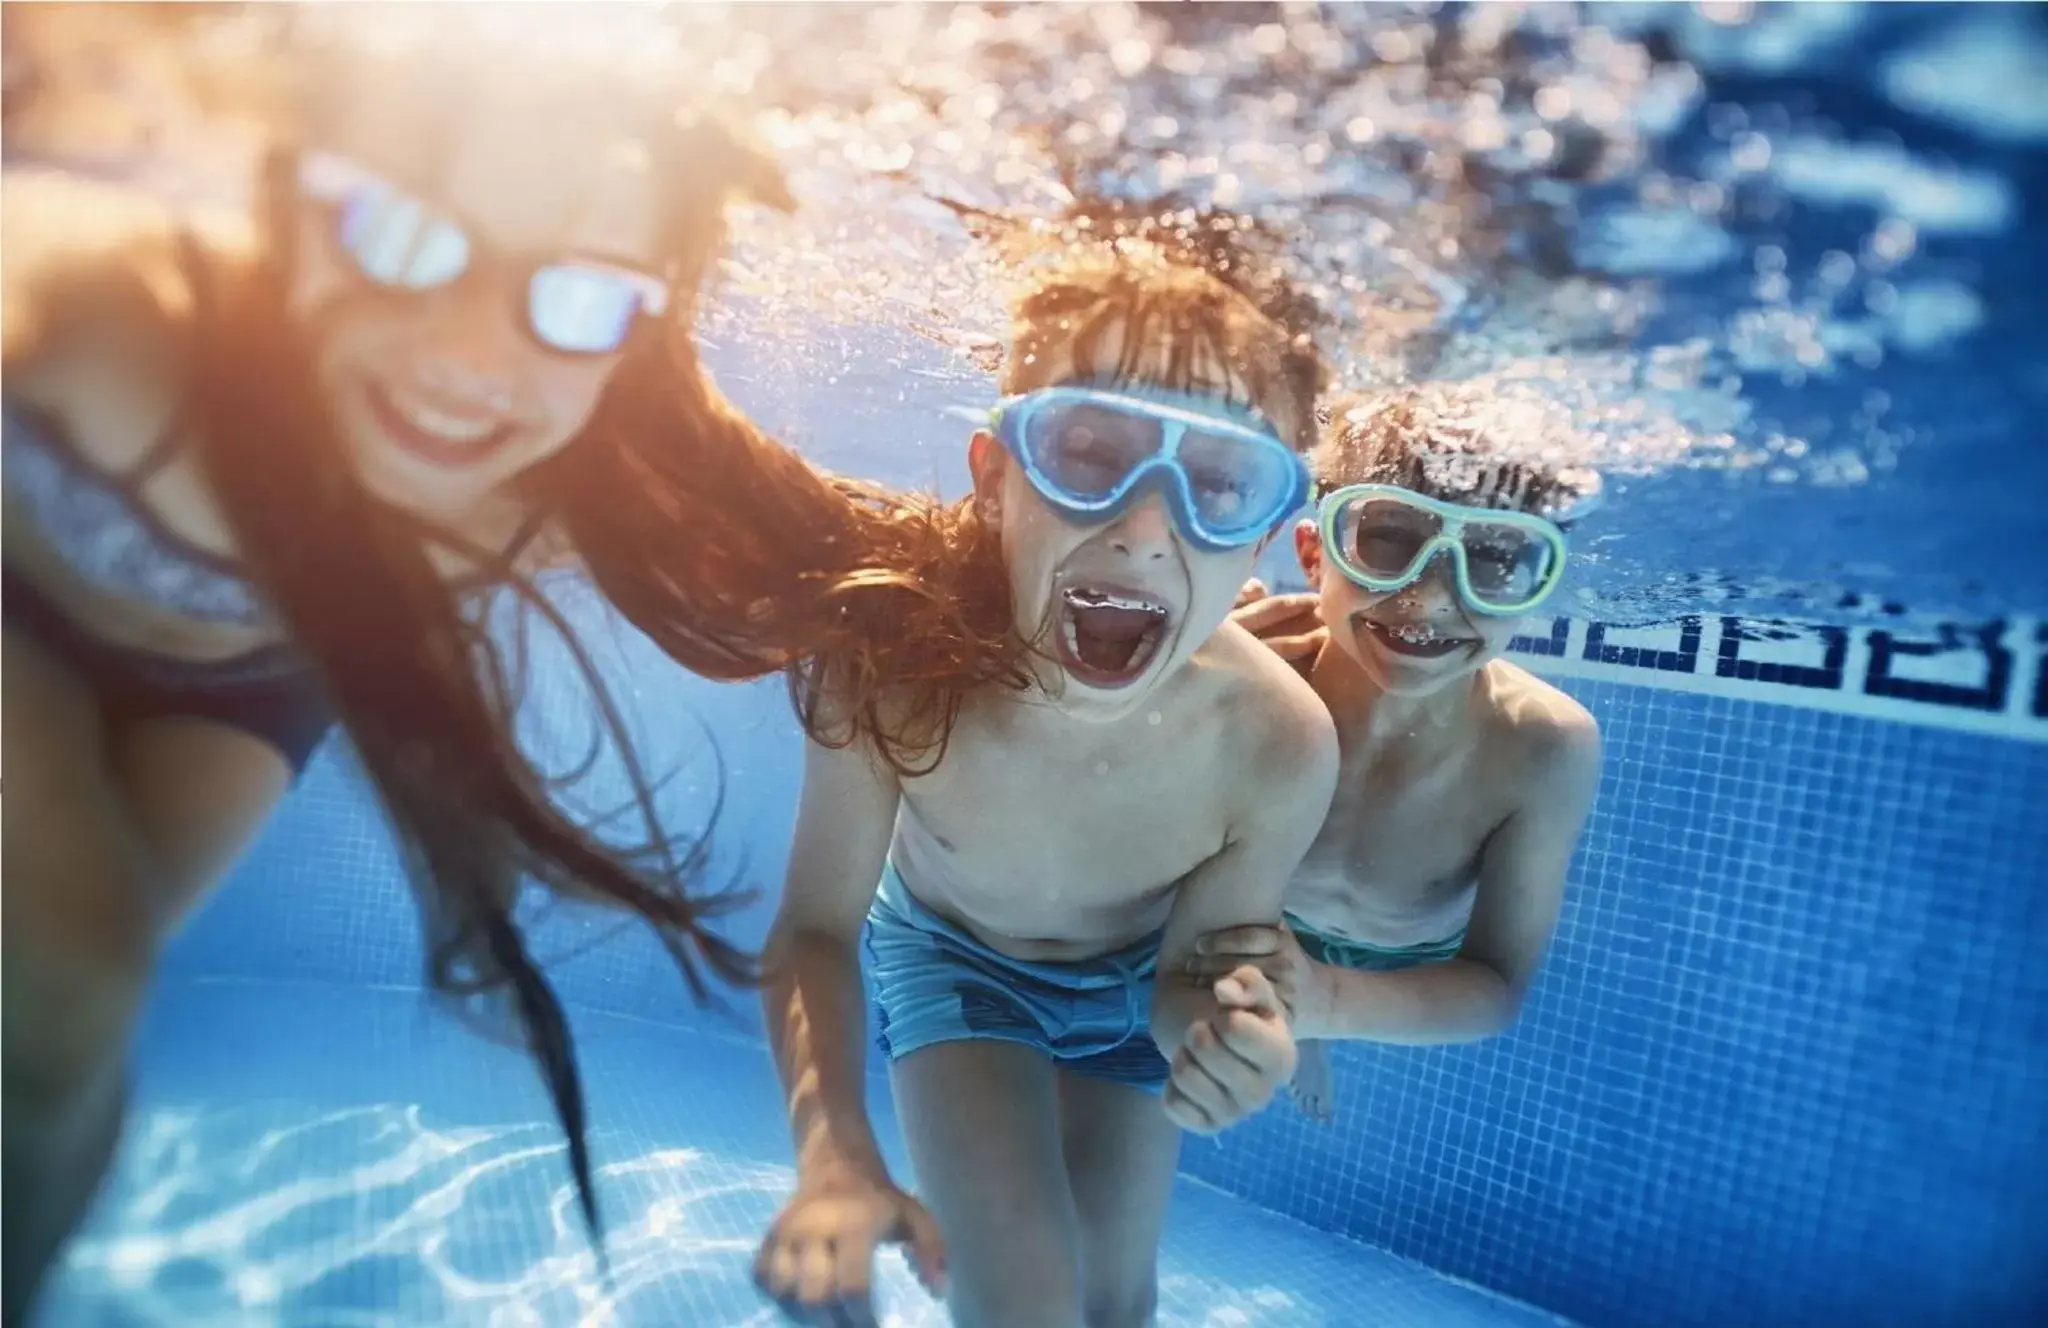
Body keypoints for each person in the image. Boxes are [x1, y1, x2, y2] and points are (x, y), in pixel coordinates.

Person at [2, 9, 972, 1318]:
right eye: (398, 235)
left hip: (245, 686)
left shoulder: (562, 484)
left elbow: (868, 559)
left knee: (49, 1052)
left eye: (576, 294)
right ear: (286, 203)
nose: (471, 349)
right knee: (61, 985)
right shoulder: (89, 308)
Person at [753, 243, 1342, 1328]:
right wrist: (835, 1152)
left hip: (1131, 986)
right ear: (993, 480)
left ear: (1261, 533)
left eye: (1217, 481)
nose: (1143, 524)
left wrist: (1228, 1036)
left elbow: (1186, 982)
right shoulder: (890, 663)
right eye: (1086, 450)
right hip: (955, 960)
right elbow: (816, 930)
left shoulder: (1278, 745)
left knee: (1112, 1300)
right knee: (1022, 1294)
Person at [1197, 383, 1604, 1120]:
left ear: (1533, 589)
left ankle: (1308, 1016)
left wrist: (1326, 1000)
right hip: (1262, 919)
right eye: (1388, 540)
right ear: (1315, 554)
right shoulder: (1256, 672)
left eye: (1492, 558)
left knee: (1306, 998)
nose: (1432, 597)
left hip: (1402, 956)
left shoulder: (1544, 745)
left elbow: (1493, 985)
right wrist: (1192, 673)